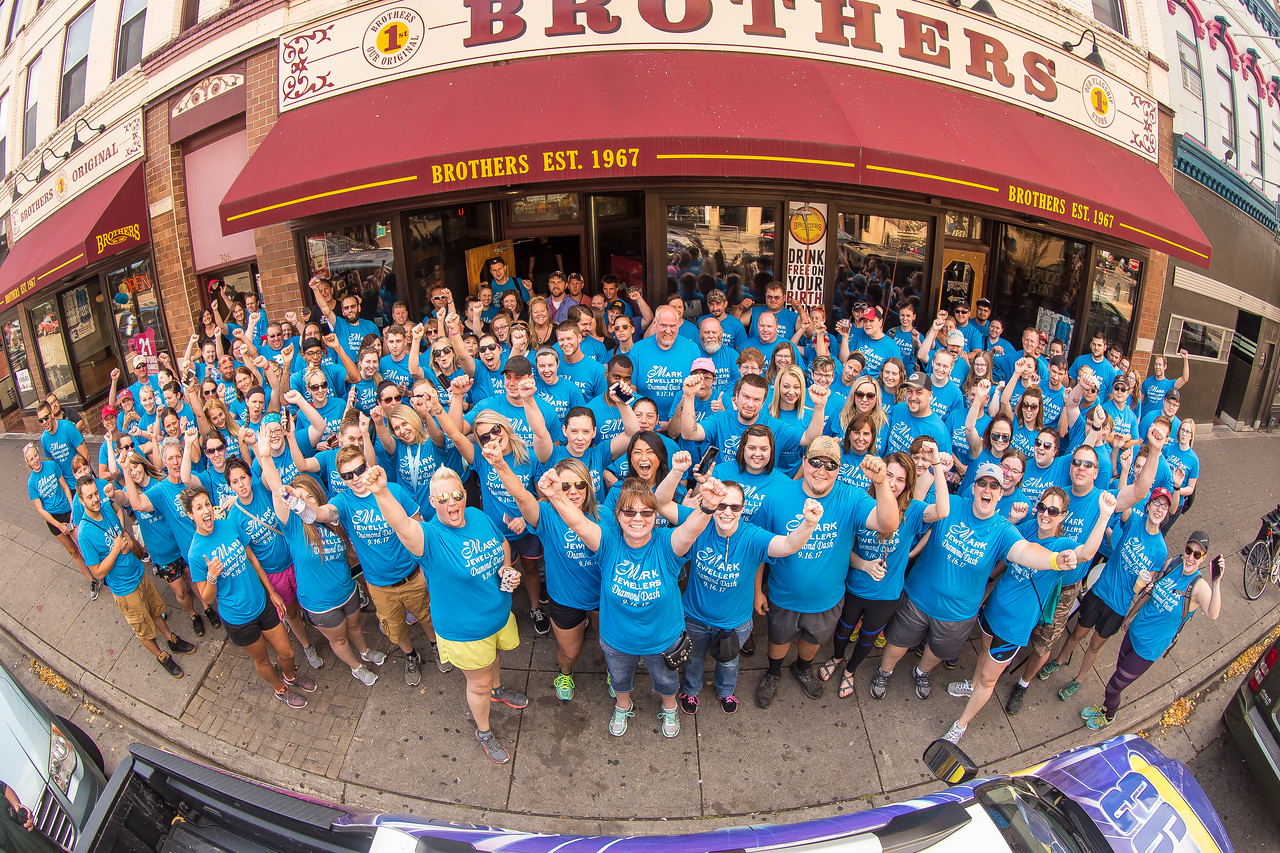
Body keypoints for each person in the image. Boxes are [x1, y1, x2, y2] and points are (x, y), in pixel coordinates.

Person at [871, 461, 1079, 704]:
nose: (987, 490)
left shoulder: (1002, 529)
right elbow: (917, 509)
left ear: (1001, 494)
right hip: (918, 598)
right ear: (973, 487)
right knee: (898, 641)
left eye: (994, 486)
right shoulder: (951, 506)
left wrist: (1054, 560)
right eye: (982, 483)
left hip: (957, 613)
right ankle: (884, 672)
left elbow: (1024, 552)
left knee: (937, 651)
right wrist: (936, 466)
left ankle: (922, 672)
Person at [545, 471, 728, 739]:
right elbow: (579, 524)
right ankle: (623, 705)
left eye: (646, 512)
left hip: (663, 639)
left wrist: (708, 506)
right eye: (629, 512)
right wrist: (555, 495)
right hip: (618, 639)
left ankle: (669, 707)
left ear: (656, 517)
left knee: (666, 681)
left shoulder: (666, 543)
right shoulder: (608, 542)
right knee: (619, 679)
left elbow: (690, 531)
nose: (638, 519)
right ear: (618, 517)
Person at [369, 464, 528, 763]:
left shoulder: (479, 517)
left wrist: (506, 568)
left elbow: (503, 543)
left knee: (493, 659)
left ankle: (498, 690)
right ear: (432, 502)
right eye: (442, 499)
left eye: (456, 495)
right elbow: (402, 525)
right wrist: (380, 491)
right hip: (464, 630)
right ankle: (483, 731)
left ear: (465, 495)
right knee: (477, 683)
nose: (451, 503)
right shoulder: (429, 537)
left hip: (497, 615)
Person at [940, 487, 1115, 745]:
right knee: (983, 650)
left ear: (1063, 516)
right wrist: (1013, 519)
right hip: (994, 609)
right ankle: (972, 685)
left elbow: (1086, 553)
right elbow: (1001, 548)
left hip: (1015, 627)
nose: (1046, 514)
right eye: (1043, 507)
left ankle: (960, 724)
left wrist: (1104, 516)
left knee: (990, 678)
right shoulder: (1028, 527)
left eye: (1053, 511)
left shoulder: (1062, 545)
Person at [755, 438, 899, 707]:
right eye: (815, 462)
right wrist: (757, 592)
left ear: (839, 469)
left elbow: (888, 523)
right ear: (804, 461)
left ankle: (802, 667)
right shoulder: (777, 497)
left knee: (813, 641)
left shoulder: (851, 498)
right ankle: (773, 672)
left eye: (830, 465)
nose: (821, 470)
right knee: (778, 640)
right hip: (783, 596)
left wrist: (881, 483)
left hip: (827, 599)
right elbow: (759, 550)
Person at [677, 475, 824, 714]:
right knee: (693, 659)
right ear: (712, 505)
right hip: (695, 617)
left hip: (734, 623)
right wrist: (678, 472)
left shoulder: (753, 535)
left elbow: (787, 546)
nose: (727, 512)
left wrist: (808, 524)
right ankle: (691, 690)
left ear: (743, 509)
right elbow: (662, 505)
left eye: (734, 507)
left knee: (729, 661)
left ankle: (725, 691)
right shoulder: (698, 525)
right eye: (721, 505)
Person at [818, 449, 949, 698]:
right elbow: (843, 550)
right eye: (889, 475)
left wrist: (936, 465)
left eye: (901, 480)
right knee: (844, 629)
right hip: (855, 586)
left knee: (867, 636)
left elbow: (942, 511)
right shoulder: (861, 504)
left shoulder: (912, 510)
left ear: (908, 484)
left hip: (887, 594)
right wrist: (864, 565)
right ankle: (836, 657)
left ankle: (850, 671)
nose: (893, 484)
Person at [256, 435, 384, 685]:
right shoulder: (292, 525)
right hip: (321, 603)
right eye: (299, 498)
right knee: (339, 639)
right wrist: (265, 457)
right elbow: (276, 489)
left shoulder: (331, 520)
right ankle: (356, 667)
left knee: (356, 627)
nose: (304, 501)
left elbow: (350, 553)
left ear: (318, 497)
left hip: (348, 592)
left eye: (309, 496)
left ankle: (366, 651)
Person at [314, 445, 445, 684]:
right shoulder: (343, 502)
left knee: (428, 617)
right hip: (379, 585)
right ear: (341, 479)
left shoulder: (392, 490)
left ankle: (436, 647)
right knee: (395, 629)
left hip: (412, 575)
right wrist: (304, 505)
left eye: (359, 470)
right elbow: (324, 514)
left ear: (368, 465)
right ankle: (410, 655)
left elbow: (419, 526)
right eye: (347, 475)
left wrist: (427, 567)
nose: (355, 478)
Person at [183, 485, 315, 708]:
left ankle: (290, 675)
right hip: (239, 619)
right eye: (199, 507)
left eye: (207, 504)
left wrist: (272, 592)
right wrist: (212, 577)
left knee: (287, 651)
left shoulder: (228, 524)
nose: (206, 511)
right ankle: (280, 688)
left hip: (262, 603)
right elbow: (206, 597)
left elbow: (252, 560)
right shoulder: (196, 553)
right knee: (262, 659)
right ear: (190, 514)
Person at [1082, 530, 1223, 730]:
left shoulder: (1199, 587)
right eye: (1189, 550)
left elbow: (1213, 614)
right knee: (1117, 675)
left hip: (1148, 649)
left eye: (1197, 554)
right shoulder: (1174, 563)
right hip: (1134, 632)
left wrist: (1216, 582)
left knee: (1113, 686)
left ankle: (1108, 715)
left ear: (1203, 558)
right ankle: (1105, 707)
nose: (1191, 557)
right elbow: (1150, 591)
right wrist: (1131, 615)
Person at [75, 477, 196, 678]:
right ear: (81, 501)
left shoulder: (106, 509)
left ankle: (170, 639)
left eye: (96, 493)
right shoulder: (85, 534)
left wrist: (130, 545)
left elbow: (122, 531)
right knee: (143, 629)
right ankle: (161, 655)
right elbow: (97, 572)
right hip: (124, 589)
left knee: (156, 611)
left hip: (139, 575)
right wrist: (115, 550)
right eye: (90, 497)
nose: (96, 499)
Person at [222, 457, 324, 670]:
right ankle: (306, 645)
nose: (241, 485)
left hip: (295, 560)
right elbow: (251, 557)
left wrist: (260, 448)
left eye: (243, 478)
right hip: (273, 574)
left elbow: (271, 473)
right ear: (229, 486)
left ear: (251, 477)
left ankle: (326, 630)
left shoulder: (263, 488)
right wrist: (269, 590)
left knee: (310, 599)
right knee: (292, 612)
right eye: (234, 481)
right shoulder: (234, 517)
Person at [24, 442, 96, 593]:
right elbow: (41, 510)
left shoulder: (51, 466)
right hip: (54, 520)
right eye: (31, 459)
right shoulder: (31, 483)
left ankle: (101, 569)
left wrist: (71, 508)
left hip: (67, 510)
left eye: (35, 456)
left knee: (83, 542)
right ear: (28, 463)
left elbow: (65, 487)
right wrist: (59, 525)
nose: (35, 460)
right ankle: (92, 580)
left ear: (39, 455)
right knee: (73, 551)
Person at [37, 400, 88, 485]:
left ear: (51, 414)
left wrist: (84, 476)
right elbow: (53, 465)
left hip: (81, 479)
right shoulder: (44, 439)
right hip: (67, 485)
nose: (44, 422)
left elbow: (86, 454)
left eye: (46, 418)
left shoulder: (68, 427)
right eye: (41, 420)